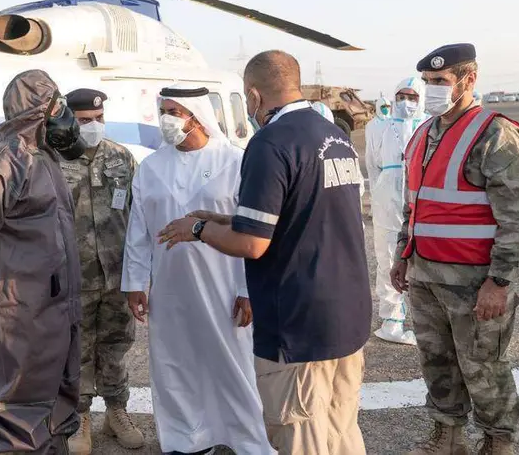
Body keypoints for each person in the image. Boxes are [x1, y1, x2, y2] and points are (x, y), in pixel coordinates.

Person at [159, 50, 371, 455]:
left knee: (299, 434)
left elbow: (253, 244)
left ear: (253, 96)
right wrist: (223, 219)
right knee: (340, 431)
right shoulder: (333, 136)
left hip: (299, 324)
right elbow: (302, 214)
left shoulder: (270, 142)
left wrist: (199, 229)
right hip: (347, 313)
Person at [391, 44, 519, 455]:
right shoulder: (423, 133)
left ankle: (499, 442)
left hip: (474, 281)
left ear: (469, 80)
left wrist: (499, 281)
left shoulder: (494, 132)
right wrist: (403, 255)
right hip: (424, 276)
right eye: (426, 82)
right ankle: (448, 436)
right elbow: (414, 203)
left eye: (439, 82)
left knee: (483, 366)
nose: (430, 90)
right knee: (437, 362)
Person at [121, 84, 273, 455]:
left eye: (175, 111)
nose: (167, 119)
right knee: (174, 365)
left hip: (225, 286)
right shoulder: (152, 167)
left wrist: (248, 289)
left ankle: (247, 442)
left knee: (232, 365)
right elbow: (137, 230)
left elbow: (251, 231)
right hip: (170, 288)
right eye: (164, 111)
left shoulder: (236, 162)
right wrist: (136, 282)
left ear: (197, 115)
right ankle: (185, 440)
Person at [0, 69, 88, 454]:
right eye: (58, 104)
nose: (66, 114)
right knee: (20, 421)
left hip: (58, 311)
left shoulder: (43, 159)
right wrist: (1, 293)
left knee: (58, 410)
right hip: (24, 315)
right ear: (39, 110)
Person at [59, 88, 144, 454]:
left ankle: (116, 411)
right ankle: (79, 419)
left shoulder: (121, 157)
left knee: (116, 345)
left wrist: (142, 272)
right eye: (83, 121)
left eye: (98, 119)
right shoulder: (54, 160)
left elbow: (138, 216)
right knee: (78, 348)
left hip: (117, 274)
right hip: (75, 276)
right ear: (68, 121)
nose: (93, 126)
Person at [367, 77, 428, 345]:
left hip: (422, 194)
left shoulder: (430, 124)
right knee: (389, 255)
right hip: (388, 197)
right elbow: (371, 164)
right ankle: (391, 320)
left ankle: (428, 318)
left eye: (413, 97)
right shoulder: (379, 126)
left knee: (425, 255)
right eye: (401, 96)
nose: (406, 102)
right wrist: (380, 194)